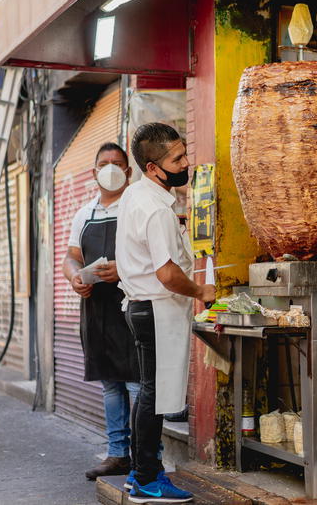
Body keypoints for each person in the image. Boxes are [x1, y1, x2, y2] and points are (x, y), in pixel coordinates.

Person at [116, 123, 216, 504]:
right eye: (177, 158)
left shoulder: (136, 195)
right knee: (154, 397)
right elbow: (168, 273)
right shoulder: (157, 209)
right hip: (156, 308)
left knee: (148, 394)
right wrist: (201, 291)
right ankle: (145, 479)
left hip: (142, 307)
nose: (186, 162)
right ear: (153, 167)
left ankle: (140, 472)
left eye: (185, 152)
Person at [62, 143, 139, 480]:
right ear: (93, 172)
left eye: (117, 163)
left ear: (129, 171)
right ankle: (117, 454)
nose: (110, 168)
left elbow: (157, 258)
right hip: (96, 309)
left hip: (132, 306)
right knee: (110, 385)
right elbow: (71, 257)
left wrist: (123, 269)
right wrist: (75, 277)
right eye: (104, 163)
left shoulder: (137, 208)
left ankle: (146, 453)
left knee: (137, 385)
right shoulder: (84, 213)